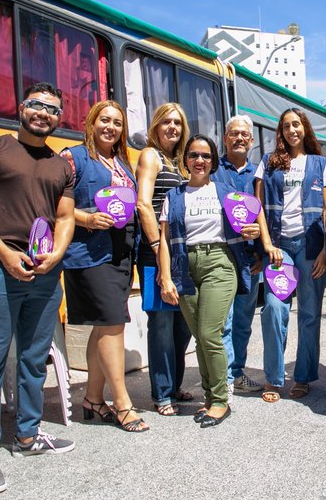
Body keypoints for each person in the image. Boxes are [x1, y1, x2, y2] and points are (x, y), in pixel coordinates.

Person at [0, 83, 76, 495]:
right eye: (38, 106)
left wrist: (56, 256)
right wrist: (6, 255)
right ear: (22, 108)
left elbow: (65, 217)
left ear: (59, 118)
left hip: (43, 275)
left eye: (53, 110)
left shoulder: (62, 166)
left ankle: (27, 434)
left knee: (33, 357)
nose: (44, 114)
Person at [157, 135, 262, 427]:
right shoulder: (173, 196)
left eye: (205, 155)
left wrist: (253, 231)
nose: (199, 160)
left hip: (220, 263)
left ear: (213, 160)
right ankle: (209, 397)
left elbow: (250, 221)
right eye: (193, 155)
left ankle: (219, 401)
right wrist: (165, 277)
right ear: (185, 160)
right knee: (201, 339)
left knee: (208, 334)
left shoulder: (227, 192)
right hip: (184, 265)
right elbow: (164, 241)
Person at [60, 100, 147, 432]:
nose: (111, 127)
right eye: (105, 120)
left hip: (120, 253)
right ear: (91, 122)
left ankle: (93, 399)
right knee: (113, 323)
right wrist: (86, 217)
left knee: (103, 326)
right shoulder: (73, 157)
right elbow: (55, 201)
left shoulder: (122, 162)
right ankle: (122, 403)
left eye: (118, 123)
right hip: (89, 252)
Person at [255, 107, 326, 402]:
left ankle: (303, 377)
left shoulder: (320, 163)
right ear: (281, 131)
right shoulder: (268, 162)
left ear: (305, 128)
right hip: (280, 248)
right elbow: (257, 207)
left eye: (296, 124)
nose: (291, 130)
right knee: (274, 307)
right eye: (286, 126)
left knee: (310, 313)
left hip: (311, 246)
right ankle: (273, 378)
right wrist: (267, 245)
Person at [135, 103, 193, 416]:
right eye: (167, 122)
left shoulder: (180, 163)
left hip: (179, 253)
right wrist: (158, 248)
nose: (172, 127)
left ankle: (174, 384)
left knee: (182, 326)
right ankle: (161, 394)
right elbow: (144, 205)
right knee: (161, 323)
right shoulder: (150, 156)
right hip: (155, 251)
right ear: (156, 125)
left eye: (178, 123)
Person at [211, 115, 267, 395]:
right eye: (234, 133)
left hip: (249, 261)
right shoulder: (211, 169)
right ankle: (224, 377)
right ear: (225, 138)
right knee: (224, 321)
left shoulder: (259, 174)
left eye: (245, 134)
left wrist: (263, 254)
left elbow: (267, 216)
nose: (240, 138)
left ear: (252, 141)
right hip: (220, 257)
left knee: (243, 321)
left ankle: (237, 372)